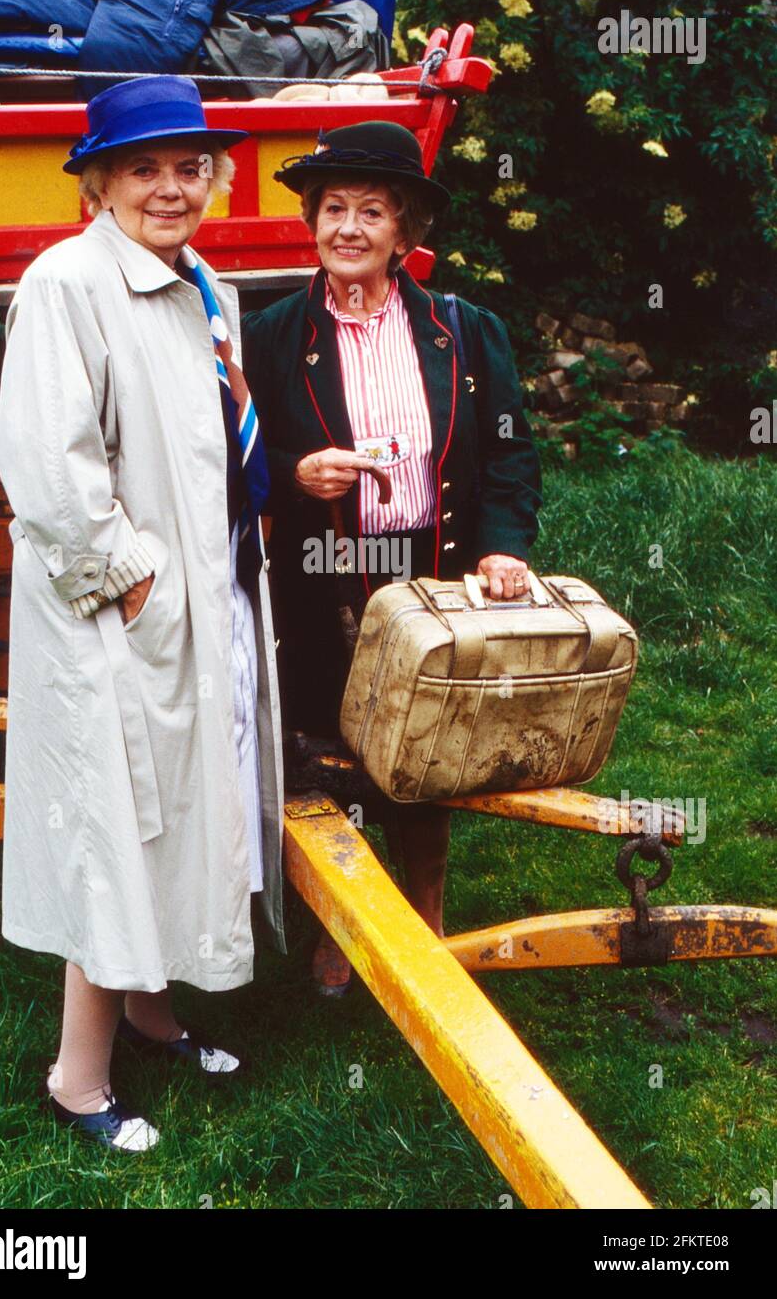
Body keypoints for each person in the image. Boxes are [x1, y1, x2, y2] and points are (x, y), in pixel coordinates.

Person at [0, 75, 285, 1151]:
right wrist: (132, 577)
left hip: (203, 593)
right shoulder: (67, 285)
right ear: (100, 183)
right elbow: (45, 462)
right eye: (143, 167)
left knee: (189, 803)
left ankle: (158, 1009)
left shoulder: (208, 284)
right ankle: (78, 1077)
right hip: (114, 609)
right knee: (117, 828)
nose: (171, 186)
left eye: (187, 165)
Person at [241, 121, 543, 995]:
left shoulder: (464, 330)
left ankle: (428, 906)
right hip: (322, 572)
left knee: (429, 743)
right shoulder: (268, 335)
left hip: (430, 565)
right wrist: (295, 475)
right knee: (336, 740)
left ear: (404, 233)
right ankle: (346, 919)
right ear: (311, 220)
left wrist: (499, 548)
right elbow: (228, 459)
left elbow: (510, 451)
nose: (348, 228)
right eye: (332, 208)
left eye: (370, 211)